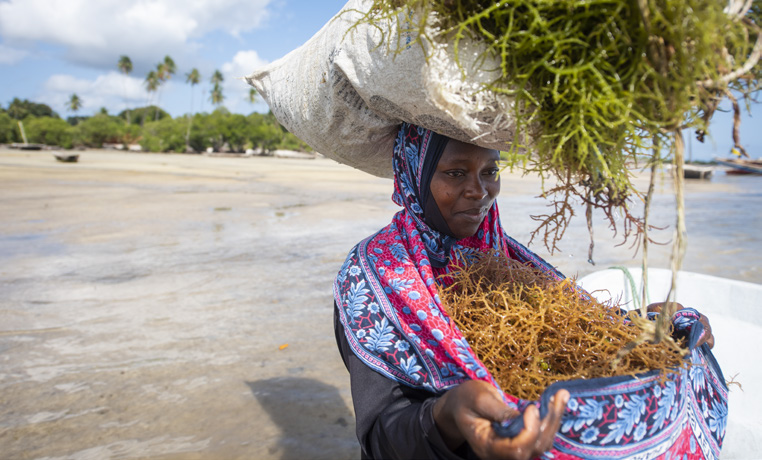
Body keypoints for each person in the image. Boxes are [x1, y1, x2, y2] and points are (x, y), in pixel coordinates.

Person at [333, 123, 715, 460]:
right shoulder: (375, 275)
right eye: (455, 173)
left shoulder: (503, 257)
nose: (479, 191)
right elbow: (379, 433)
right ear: (413, 175)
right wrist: (446, 416)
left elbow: (565, 332)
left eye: (491, 171)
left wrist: (642, 326)